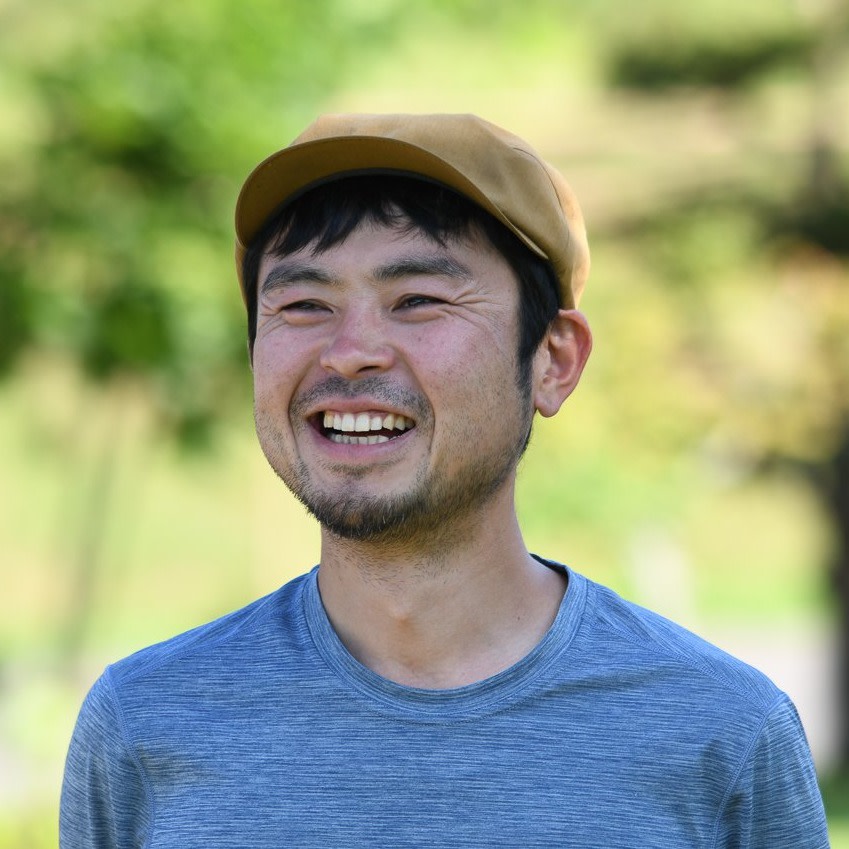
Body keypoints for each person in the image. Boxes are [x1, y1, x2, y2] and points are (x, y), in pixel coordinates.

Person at [60, 113, 829, 848]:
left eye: (417, 300)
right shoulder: (144, 722)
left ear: (552, 361)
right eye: (302, 303)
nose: (350, 352)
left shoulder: (719, 731)